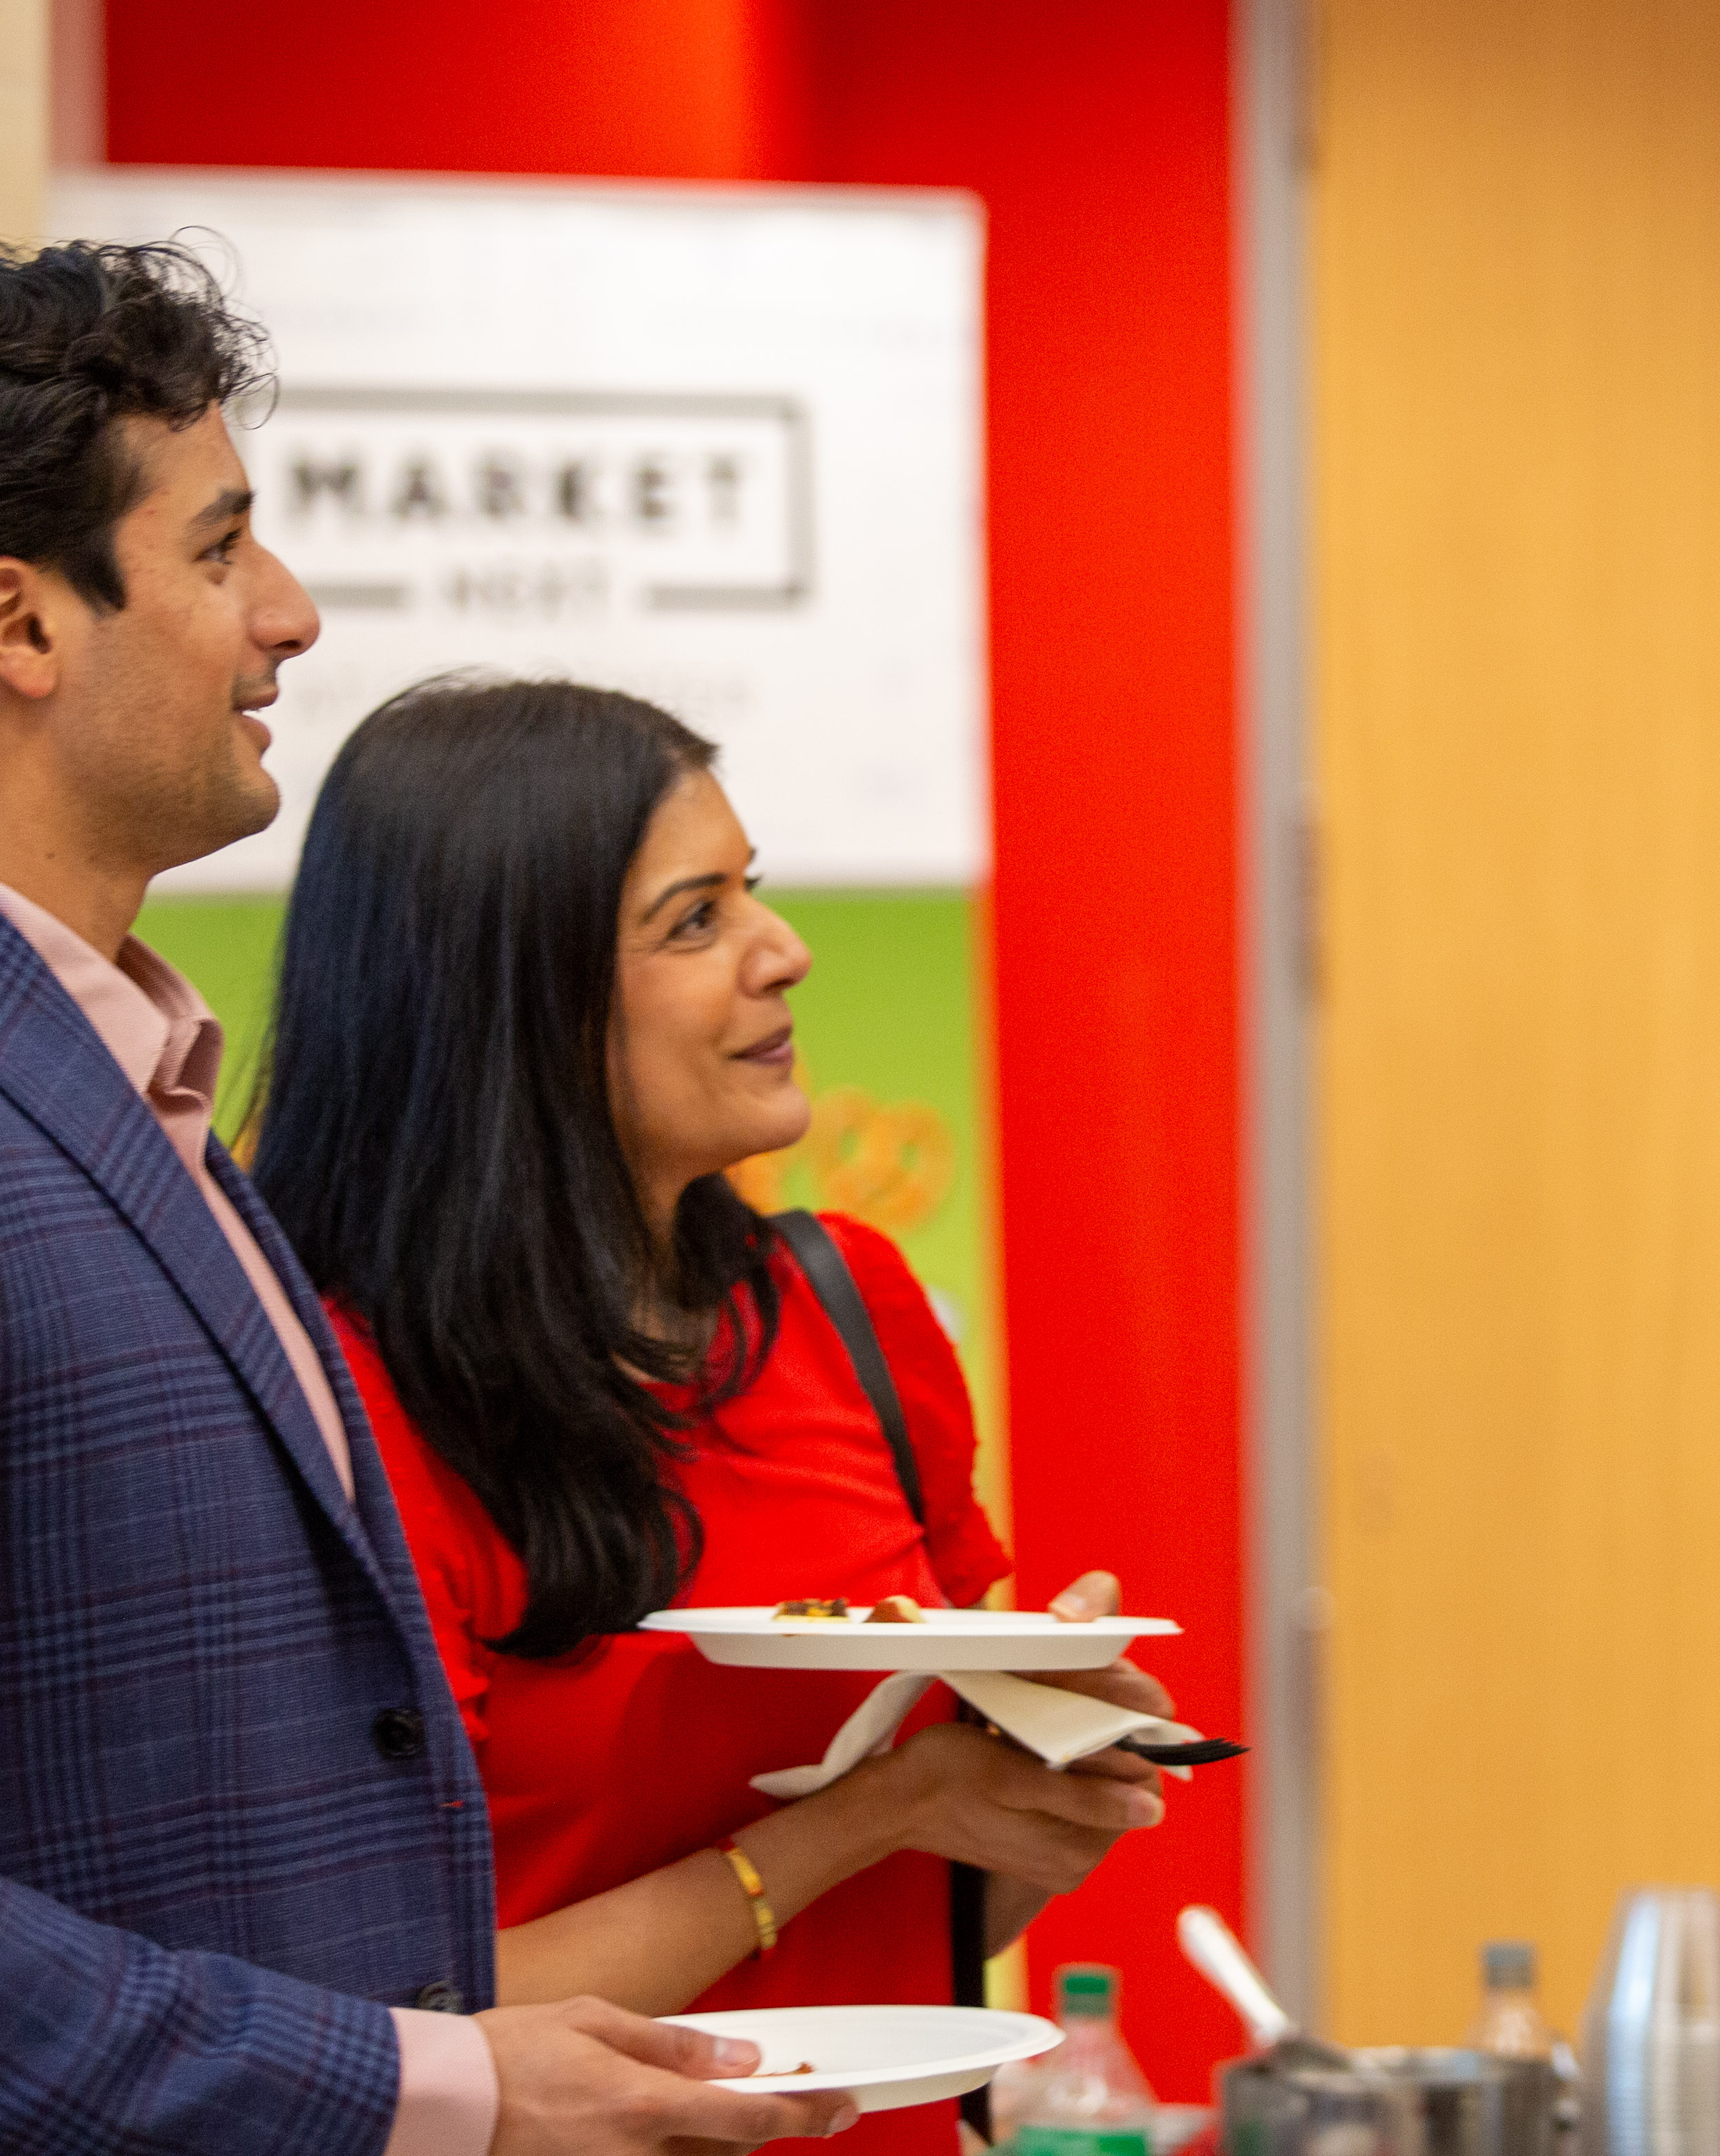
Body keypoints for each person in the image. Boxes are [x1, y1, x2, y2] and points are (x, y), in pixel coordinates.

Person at [0, 243, 851, 2155]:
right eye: (225, 548)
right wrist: (431, 2091)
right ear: (15, 622)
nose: (295, 616)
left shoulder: (96, 1077)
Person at [249, 677, 1174, 2156]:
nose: (785, 955)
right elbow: (391, 2032)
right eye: (696, 921)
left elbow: (932, 1926)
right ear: (516, 998)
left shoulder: (845, 1307)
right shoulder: (337, 1406)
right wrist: (860, 1818)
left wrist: (1036, 1789)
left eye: (757, 895)